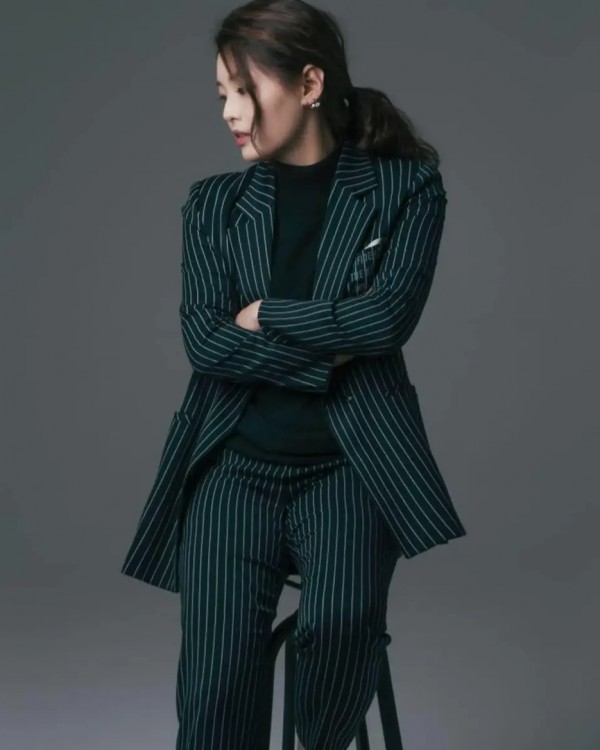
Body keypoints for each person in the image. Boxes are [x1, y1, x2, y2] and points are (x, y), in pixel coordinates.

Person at [121, 1, 467, 748]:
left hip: (351, 467)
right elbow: (206, 342)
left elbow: (385, 321)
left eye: (245, 91)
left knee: (342, 630)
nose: (229, 112)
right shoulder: (214, 204)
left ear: (309, 85)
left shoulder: (407, 189)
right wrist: (326, 354)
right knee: (215, 688)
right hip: (232, 468)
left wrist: (266, 313)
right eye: (222, 94)